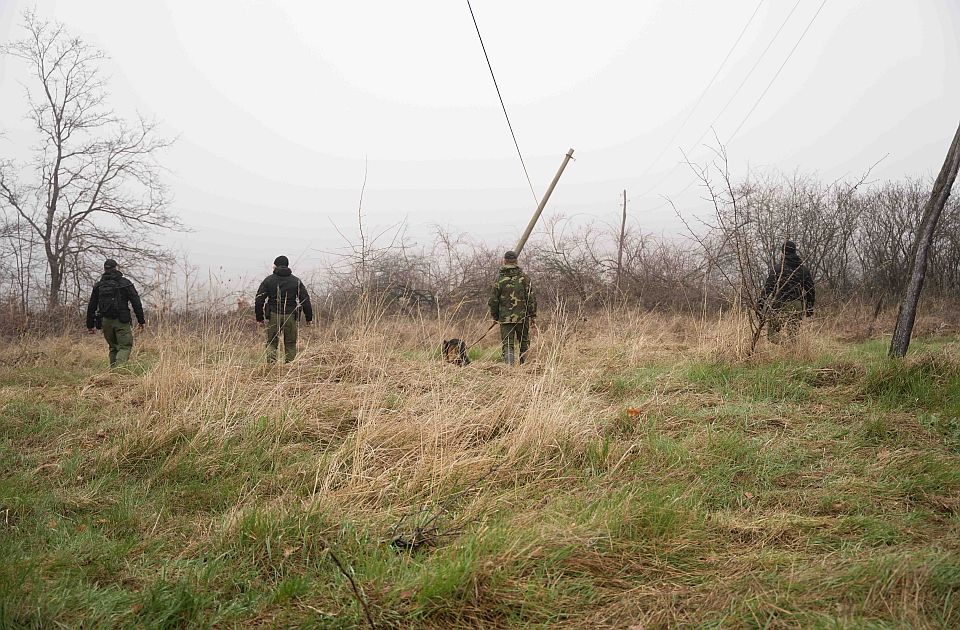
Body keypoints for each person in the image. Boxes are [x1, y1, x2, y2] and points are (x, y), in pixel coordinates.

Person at [85, 259, 146, 367]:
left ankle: (112, 374)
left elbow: (91, 306)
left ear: (104, 269)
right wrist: (141, 321)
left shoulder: (99, 285)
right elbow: (136, 302)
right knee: (125, 346)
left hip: (105, 321)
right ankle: (119, 372)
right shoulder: (125, 283)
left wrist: (90, 325)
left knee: (113, 347)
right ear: (116, 268)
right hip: (121, 320)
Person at [255, 255, 313, 363]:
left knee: (272, 342)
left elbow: (259, 300)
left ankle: (271, 368)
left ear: (275, 266)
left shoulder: (268, 280)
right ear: (287, 265)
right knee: (290, 344)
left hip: (273, 315)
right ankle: (289, 368)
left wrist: (260, 318)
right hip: (290, 316)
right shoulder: (296, 281)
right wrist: (309, 318)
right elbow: (305, 300)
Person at [758, 240, 815, 344]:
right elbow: (810, 290)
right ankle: (794, 352)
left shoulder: (778, 269)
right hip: (797, 305)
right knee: (793, 336)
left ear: (783, 253)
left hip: (780, 304)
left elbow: (768, 288)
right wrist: (809, 309)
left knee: (772, 335)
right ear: (795, 252)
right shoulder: (803, 270)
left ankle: (786, 346)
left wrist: (761, 304)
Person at [488, 250, 537, 365]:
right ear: (516, 261)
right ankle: (525, 368)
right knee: (524, 342)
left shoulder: (499, 280)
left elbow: (493, 301)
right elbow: (531, 299)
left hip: (505, 318)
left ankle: (509, 369)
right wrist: (532, 315)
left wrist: (495, 316)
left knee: (508, 344)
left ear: (504, 261)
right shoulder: (525, 278)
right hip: (522, 317)